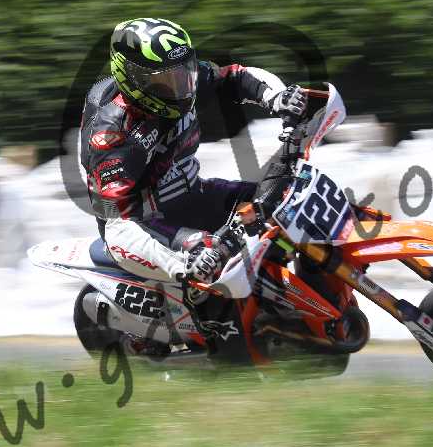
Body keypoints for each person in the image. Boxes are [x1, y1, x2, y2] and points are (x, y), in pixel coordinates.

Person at [79, 18, 308, 284]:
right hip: (148, 224)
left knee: (286, 206)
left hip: (192, 194)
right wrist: (182, 261)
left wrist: (278, 97)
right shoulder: (112, 136)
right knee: (214, 261)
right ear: (133, 79)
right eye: (166, 80)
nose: (182, 85)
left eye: (183, 71)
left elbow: (234, 77)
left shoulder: (180, 77)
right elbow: (119, 227)